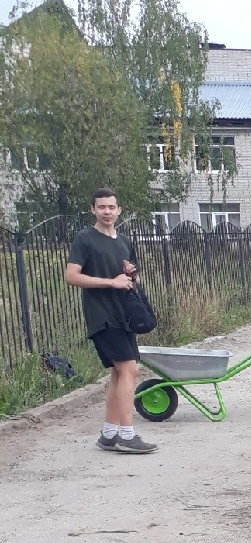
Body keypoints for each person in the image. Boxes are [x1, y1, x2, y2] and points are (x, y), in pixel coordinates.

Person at [65, 188, 156, 454]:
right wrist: (110, 282)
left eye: (111, 207)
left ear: (119, 211)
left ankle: (108, 434)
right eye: (101, 207)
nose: (107, 212)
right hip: (101, 315)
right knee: (130, 370)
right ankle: (127, 436)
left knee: (119, 373)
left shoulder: (124, 241)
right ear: (92, 209)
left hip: (123, 314)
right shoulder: (85, 239)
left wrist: (130, 274)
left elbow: (129, 279)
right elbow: (71, 276)